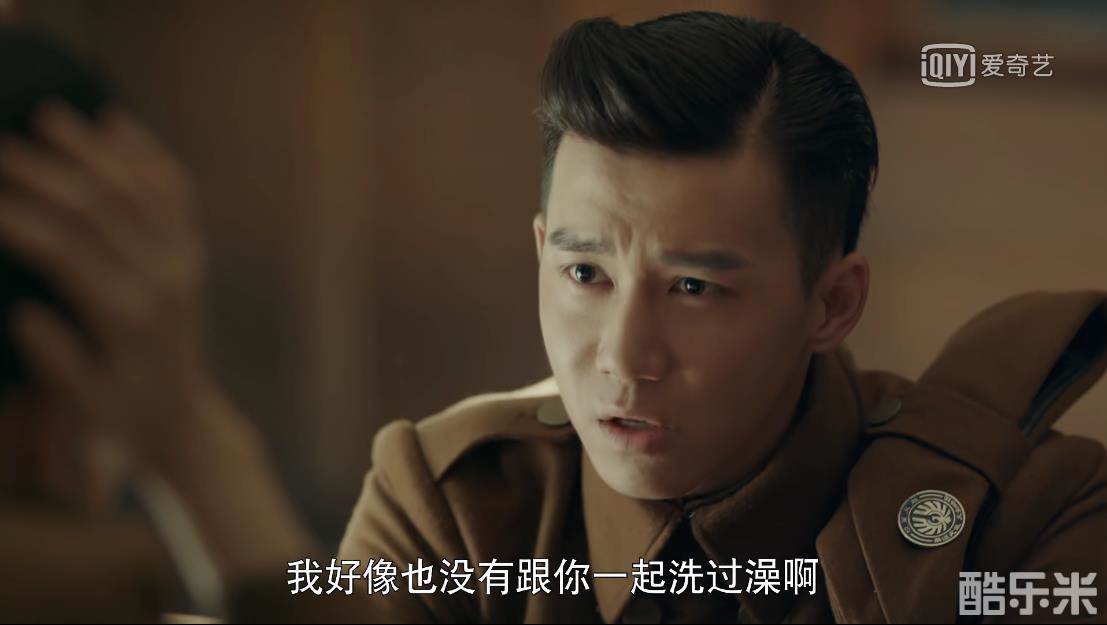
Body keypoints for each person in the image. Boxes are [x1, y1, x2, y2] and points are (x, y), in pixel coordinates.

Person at [1, 11, 1103, 624]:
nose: (624, 357)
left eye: (695, 288)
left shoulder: (1024, 513)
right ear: (539, 249)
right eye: (583, 273)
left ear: (832, 302)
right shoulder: (459, 504)